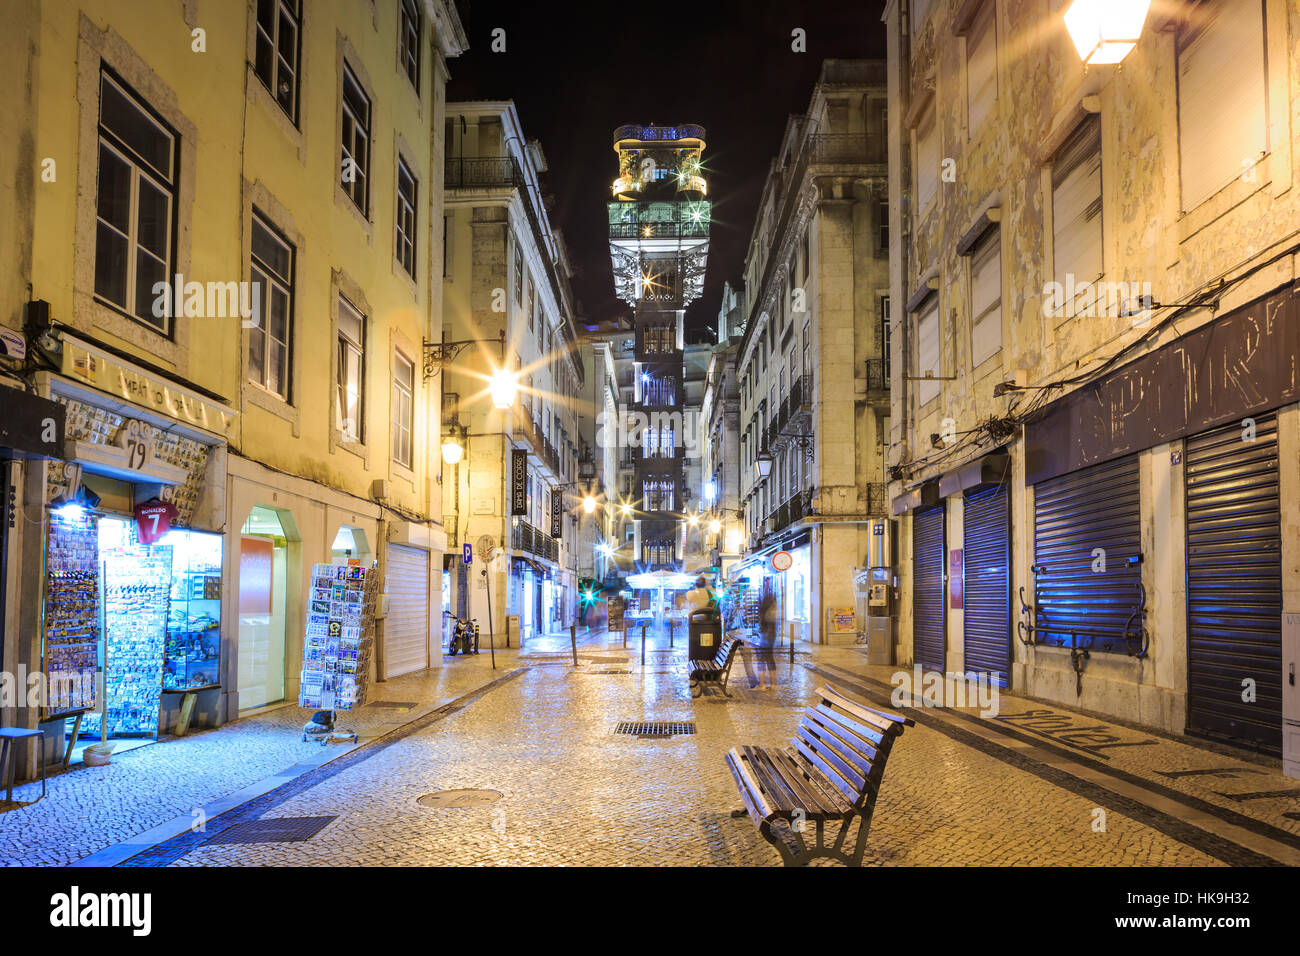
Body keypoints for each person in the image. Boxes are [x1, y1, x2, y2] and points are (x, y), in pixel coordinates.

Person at [755, 581, 779, 690]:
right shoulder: (773, 611)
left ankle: (762, 684)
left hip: (764, 637)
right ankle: (773, 684)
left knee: (761, 659)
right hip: (771, 637)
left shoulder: (764, 611)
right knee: (770, 659)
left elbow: (762, 626)